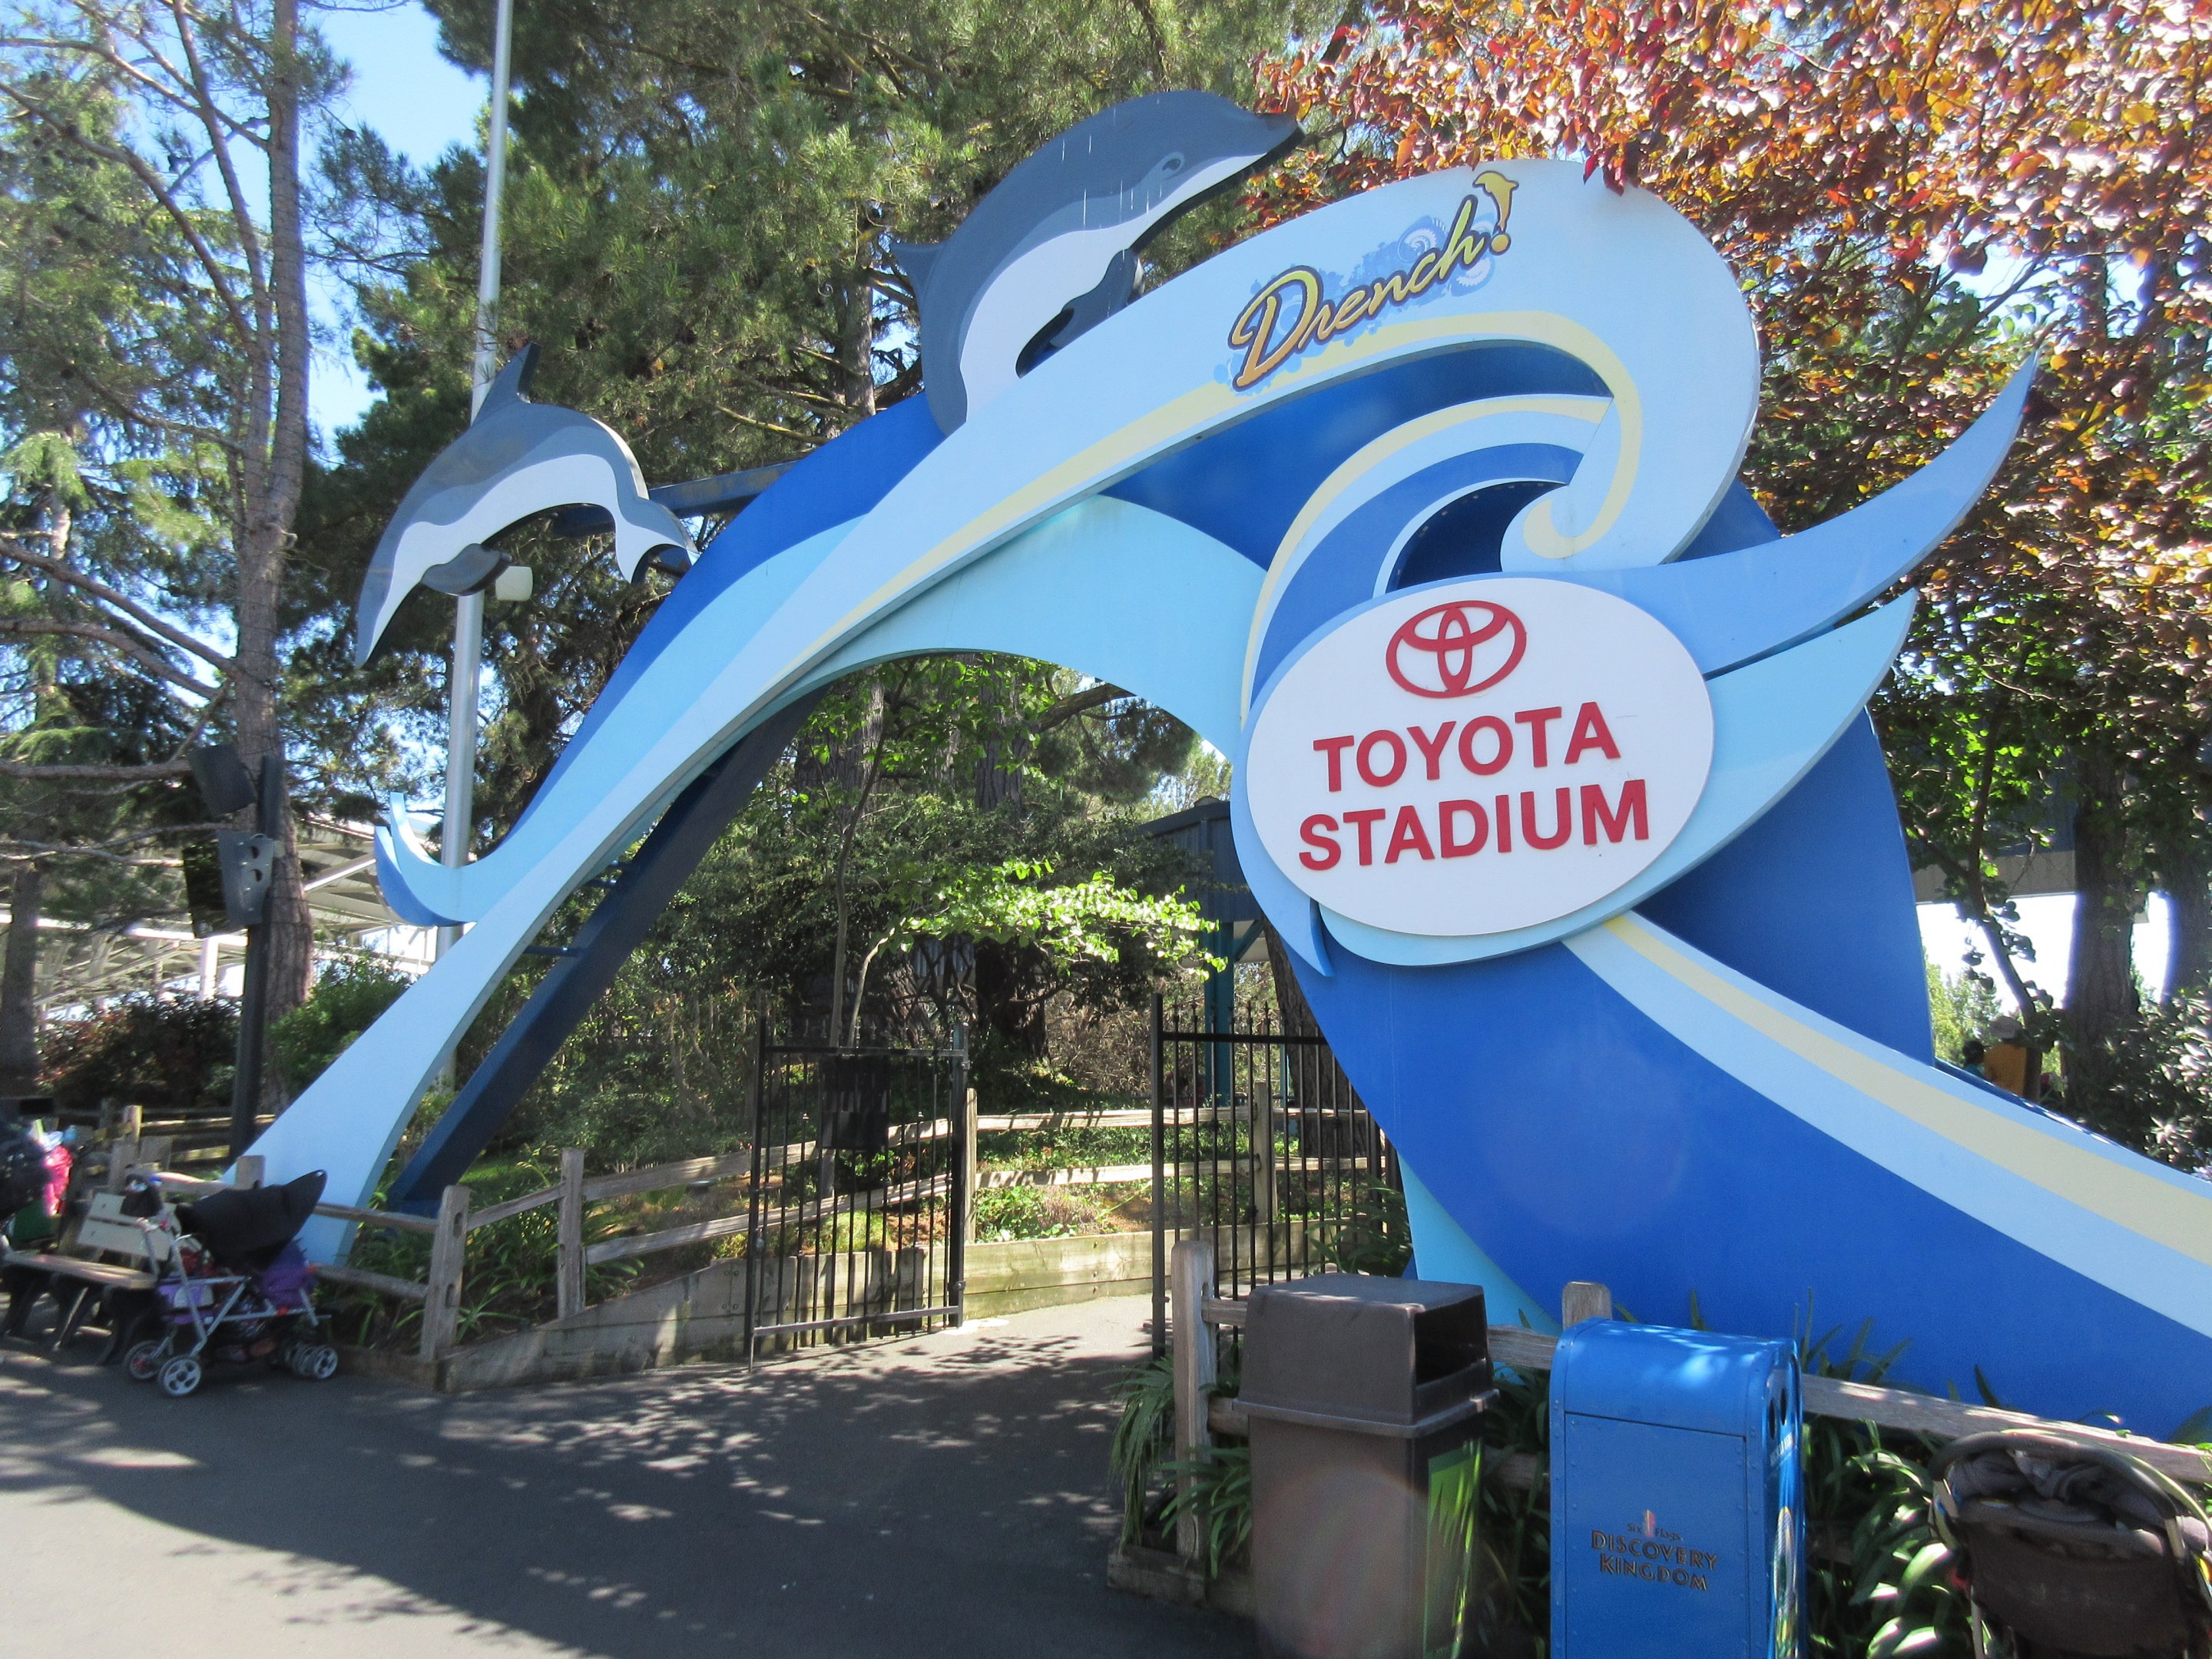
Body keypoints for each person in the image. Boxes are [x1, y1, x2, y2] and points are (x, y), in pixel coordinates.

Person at [1982, 1015, 2030, 1097]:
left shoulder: (1992, 1054)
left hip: (1998, 1095)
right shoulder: (2025, 1052)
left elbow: (1987, 1078)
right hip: (2019, 1097)